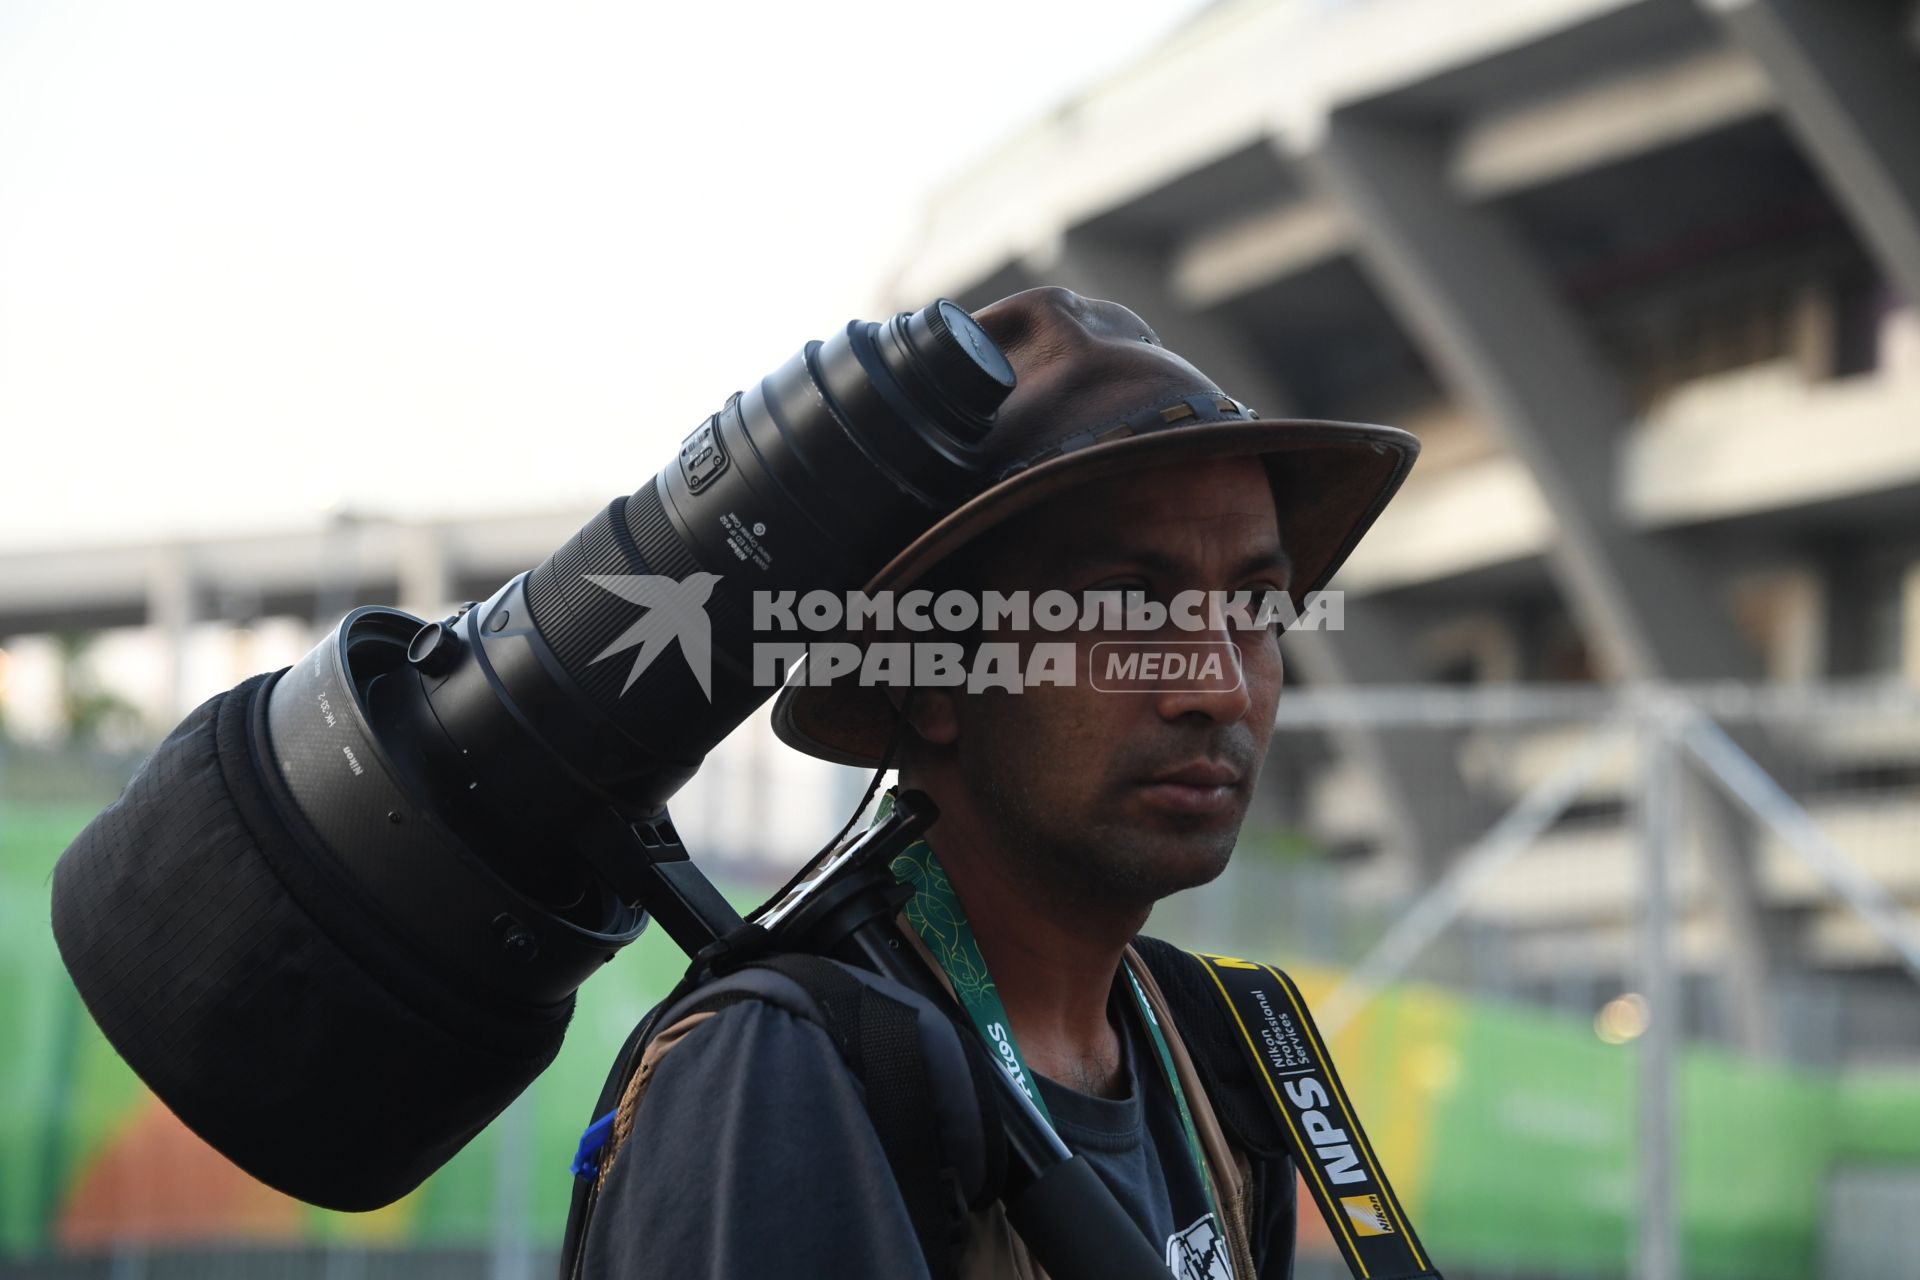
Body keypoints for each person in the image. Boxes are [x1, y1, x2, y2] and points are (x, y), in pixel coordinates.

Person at [574, 287, 1419, 1279]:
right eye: (1126, 604)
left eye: (1255, 605)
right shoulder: (786, 1077)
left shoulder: (1216, 1044)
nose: (1217, 685)